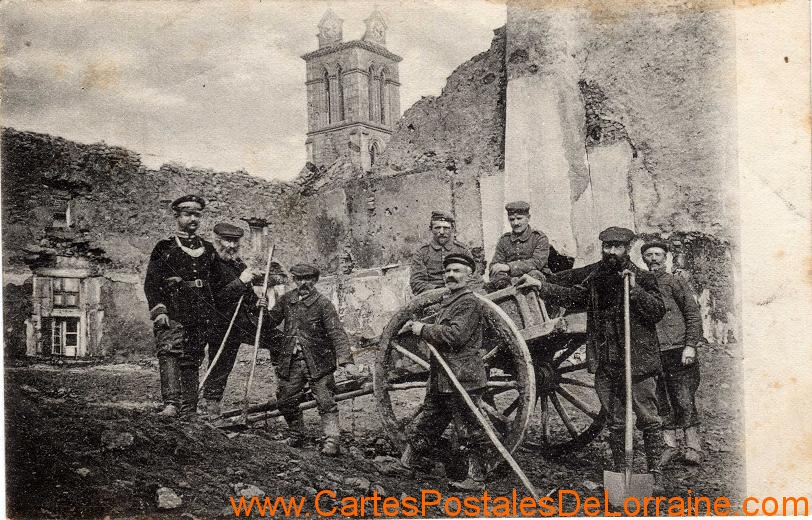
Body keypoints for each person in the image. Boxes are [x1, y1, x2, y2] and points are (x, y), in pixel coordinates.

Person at [518, 227, 668, 493]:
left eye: (617, 247)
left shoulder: (644, 278)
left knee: (648, 417)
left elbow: (657, 311)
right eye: (607, 247)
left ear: (627, 249)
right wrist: (541, 286)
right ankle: (621, 473)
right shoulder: (597, 278)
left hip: (637, 361)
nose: (611, 252)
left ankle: (656, 474)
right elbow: (575, 295)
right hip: (607, 361)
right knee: (616, 421)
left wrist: (635, 290)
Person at [398, 252, 489, 492]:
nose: (451, 275)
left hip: (463, 377)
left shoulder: (469, 302)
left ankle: (476, 479)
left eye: (457, 271)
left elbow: (455, 336)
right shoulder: (449, 300)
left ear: (469, 276)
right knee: (429, 421)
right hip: (443, 376)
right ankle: (406, 464)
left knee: (470, 429)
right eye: (447, 271)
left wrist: (422, 329)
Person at [265, 263, 357, 455]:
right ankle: (296, 434)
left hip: (319, 361)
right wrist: (262, 308)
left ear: (315, 280)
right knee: (285, 400)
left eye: (308, 279)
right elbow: (269, 322)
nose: (303, 283)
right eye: (299, 279)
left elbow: (337, 333)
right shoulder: (286, 300)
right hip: (291, 361)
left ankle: (331, 440)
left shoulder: (323, 304)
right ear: (294, 280)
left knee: (325, 401)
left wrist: (346, 361)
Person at [201, 223, 286, 420]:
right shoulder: (210, 264)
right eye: (227, 241)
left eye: (235, 242)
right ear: (217, 241)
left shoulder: (238, 264)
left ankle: (285, 391)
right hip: (222, 324)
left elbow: (247, 297)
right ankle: (213, 411)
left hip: (244, 322)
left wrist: (258, 302)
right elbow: (216, 299)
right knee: (220, 365)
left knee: (280, 342)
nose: (231, 246)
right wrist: (241, 281)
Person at [144, 195, 218, 419]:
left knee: (192, 357)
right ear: (177, 216)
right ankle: (171, 404)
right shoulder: (164, 247)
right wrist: (159, 310)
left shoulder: (208, 248)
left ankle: (189, 409)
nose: (193, 219)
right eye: (188, 214)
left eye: (197, 215)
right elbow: (151, 282)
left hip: (200, 314)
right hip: (173, 310)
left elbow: (218, 280)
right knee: (170, 352)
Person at [641, 240, 705, 466]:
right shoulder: (641, 284)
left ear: (665, 257)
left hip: (678, 349)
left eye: (658, 254)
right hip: (653, 352)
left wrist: (691, 345)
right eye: (649, 255)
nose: (653, 259)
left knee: (684, 398)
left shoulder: (675, 282)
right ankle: (669, 446)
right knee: (661, 400)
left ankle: (693, 446)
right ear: (644, 259)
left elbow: (692, 314)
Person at [487, 201, 550, 291]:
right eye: (512, 219)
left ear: (528, 218)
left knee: (534, 275)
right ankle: (509, 294)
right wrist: (497, 269)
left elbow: (537, 262)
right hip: (509, 280)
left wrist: (509, 267)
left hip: (536, 278)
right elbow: (495, 264)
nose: (515, 223)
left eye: (519, 218)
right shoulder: (504, 240)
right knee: (497, 275)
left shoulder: (539, 238)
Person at [410, 211, 473, 295]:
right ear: (431, 229)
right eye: (437, 228)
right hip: (432, 297)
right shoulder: (421, 252)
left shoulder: (463, 251)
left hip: (460, 295)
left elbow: (474, 279)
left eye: (446, 228)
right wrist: (441, 292)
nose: (442, 232)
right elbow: (417, 283)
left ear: (452, 229)